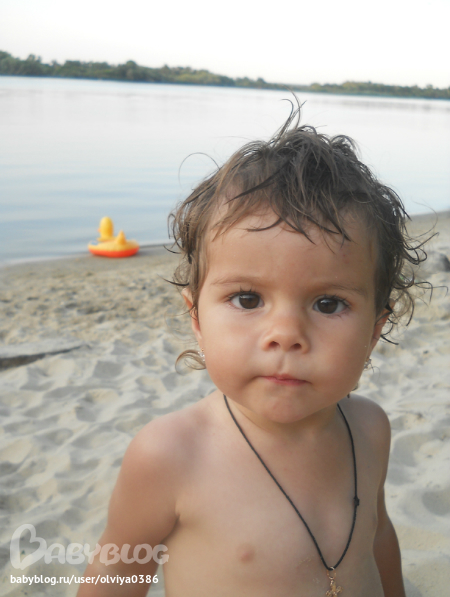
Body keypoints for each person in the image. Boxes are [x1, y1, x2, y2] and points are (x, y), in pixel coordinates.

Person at [78, 106, 427, 597]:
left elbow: (378, 536)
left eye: (328, 303)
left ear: (374, 331)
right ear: (197, 319)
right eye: (247, 299)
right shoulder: (169, 455)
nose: (285, 334)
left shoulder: (371, 429)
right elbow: (115, 577)